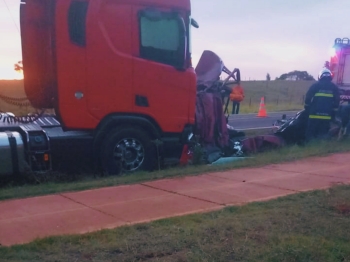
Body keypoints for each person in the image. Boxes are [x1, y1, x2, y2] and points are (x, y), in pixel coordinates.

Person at [304, 68, 340, 142]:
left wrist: (307, 107)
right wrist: (333, 112)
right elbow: (336, 102)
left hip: (314, 114)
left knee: (311, 132)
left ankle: (309, 145)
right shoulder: (334, 87)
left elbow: (308, 97)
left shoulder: (315, 85)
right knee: (323, 132)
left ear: (320, 76)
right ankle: (321, 145)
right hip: (327, 115)